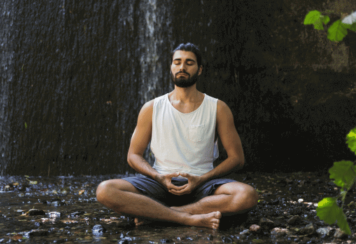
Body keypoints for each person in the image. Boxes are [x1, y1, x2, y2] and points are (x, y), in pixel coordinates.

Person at [96, 43, 258, 229]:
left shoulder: (218, 108)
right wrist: (157, 177)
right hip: (160, 182)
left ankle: (162, 214)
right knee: (105, 190)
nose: (182, 67)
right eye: (177, 62)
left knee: (247, 195)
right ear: (171, 67)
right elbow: (133, 155)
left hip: (203, 183)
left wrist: (202, 179)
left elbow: (237, 158)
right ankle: (188, 218)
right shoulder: (151, 108)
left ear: (200, 70)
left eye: (189, 63)